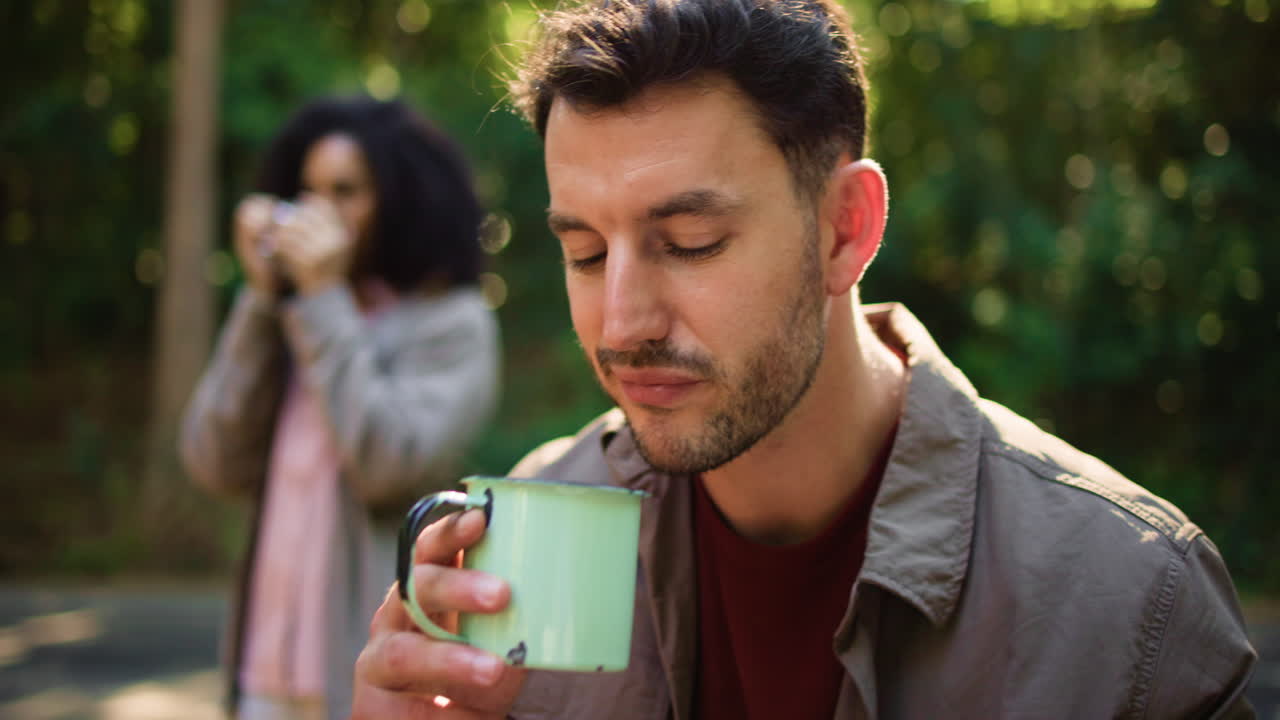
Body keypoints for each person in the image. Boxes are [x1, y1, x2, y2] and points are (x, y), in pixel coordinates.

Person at [351, 2, 1256, 718]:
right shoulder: (536, 526)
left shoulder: (1130, 605)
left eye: (692, 241)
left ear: (844, 229)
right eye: (585, 252)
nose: (621, 320)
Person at [181, 96, 500, 720]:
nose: (319, 212)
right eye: (308, 191)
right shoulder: (292, 314)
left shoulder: (453, 324)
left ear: (399, 199)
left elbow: (388, 464)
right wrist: (262, 297)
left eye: (345, 191)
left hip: (374, 674)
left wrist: (322, 295)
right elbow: (212, 460)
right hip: (262, 672)